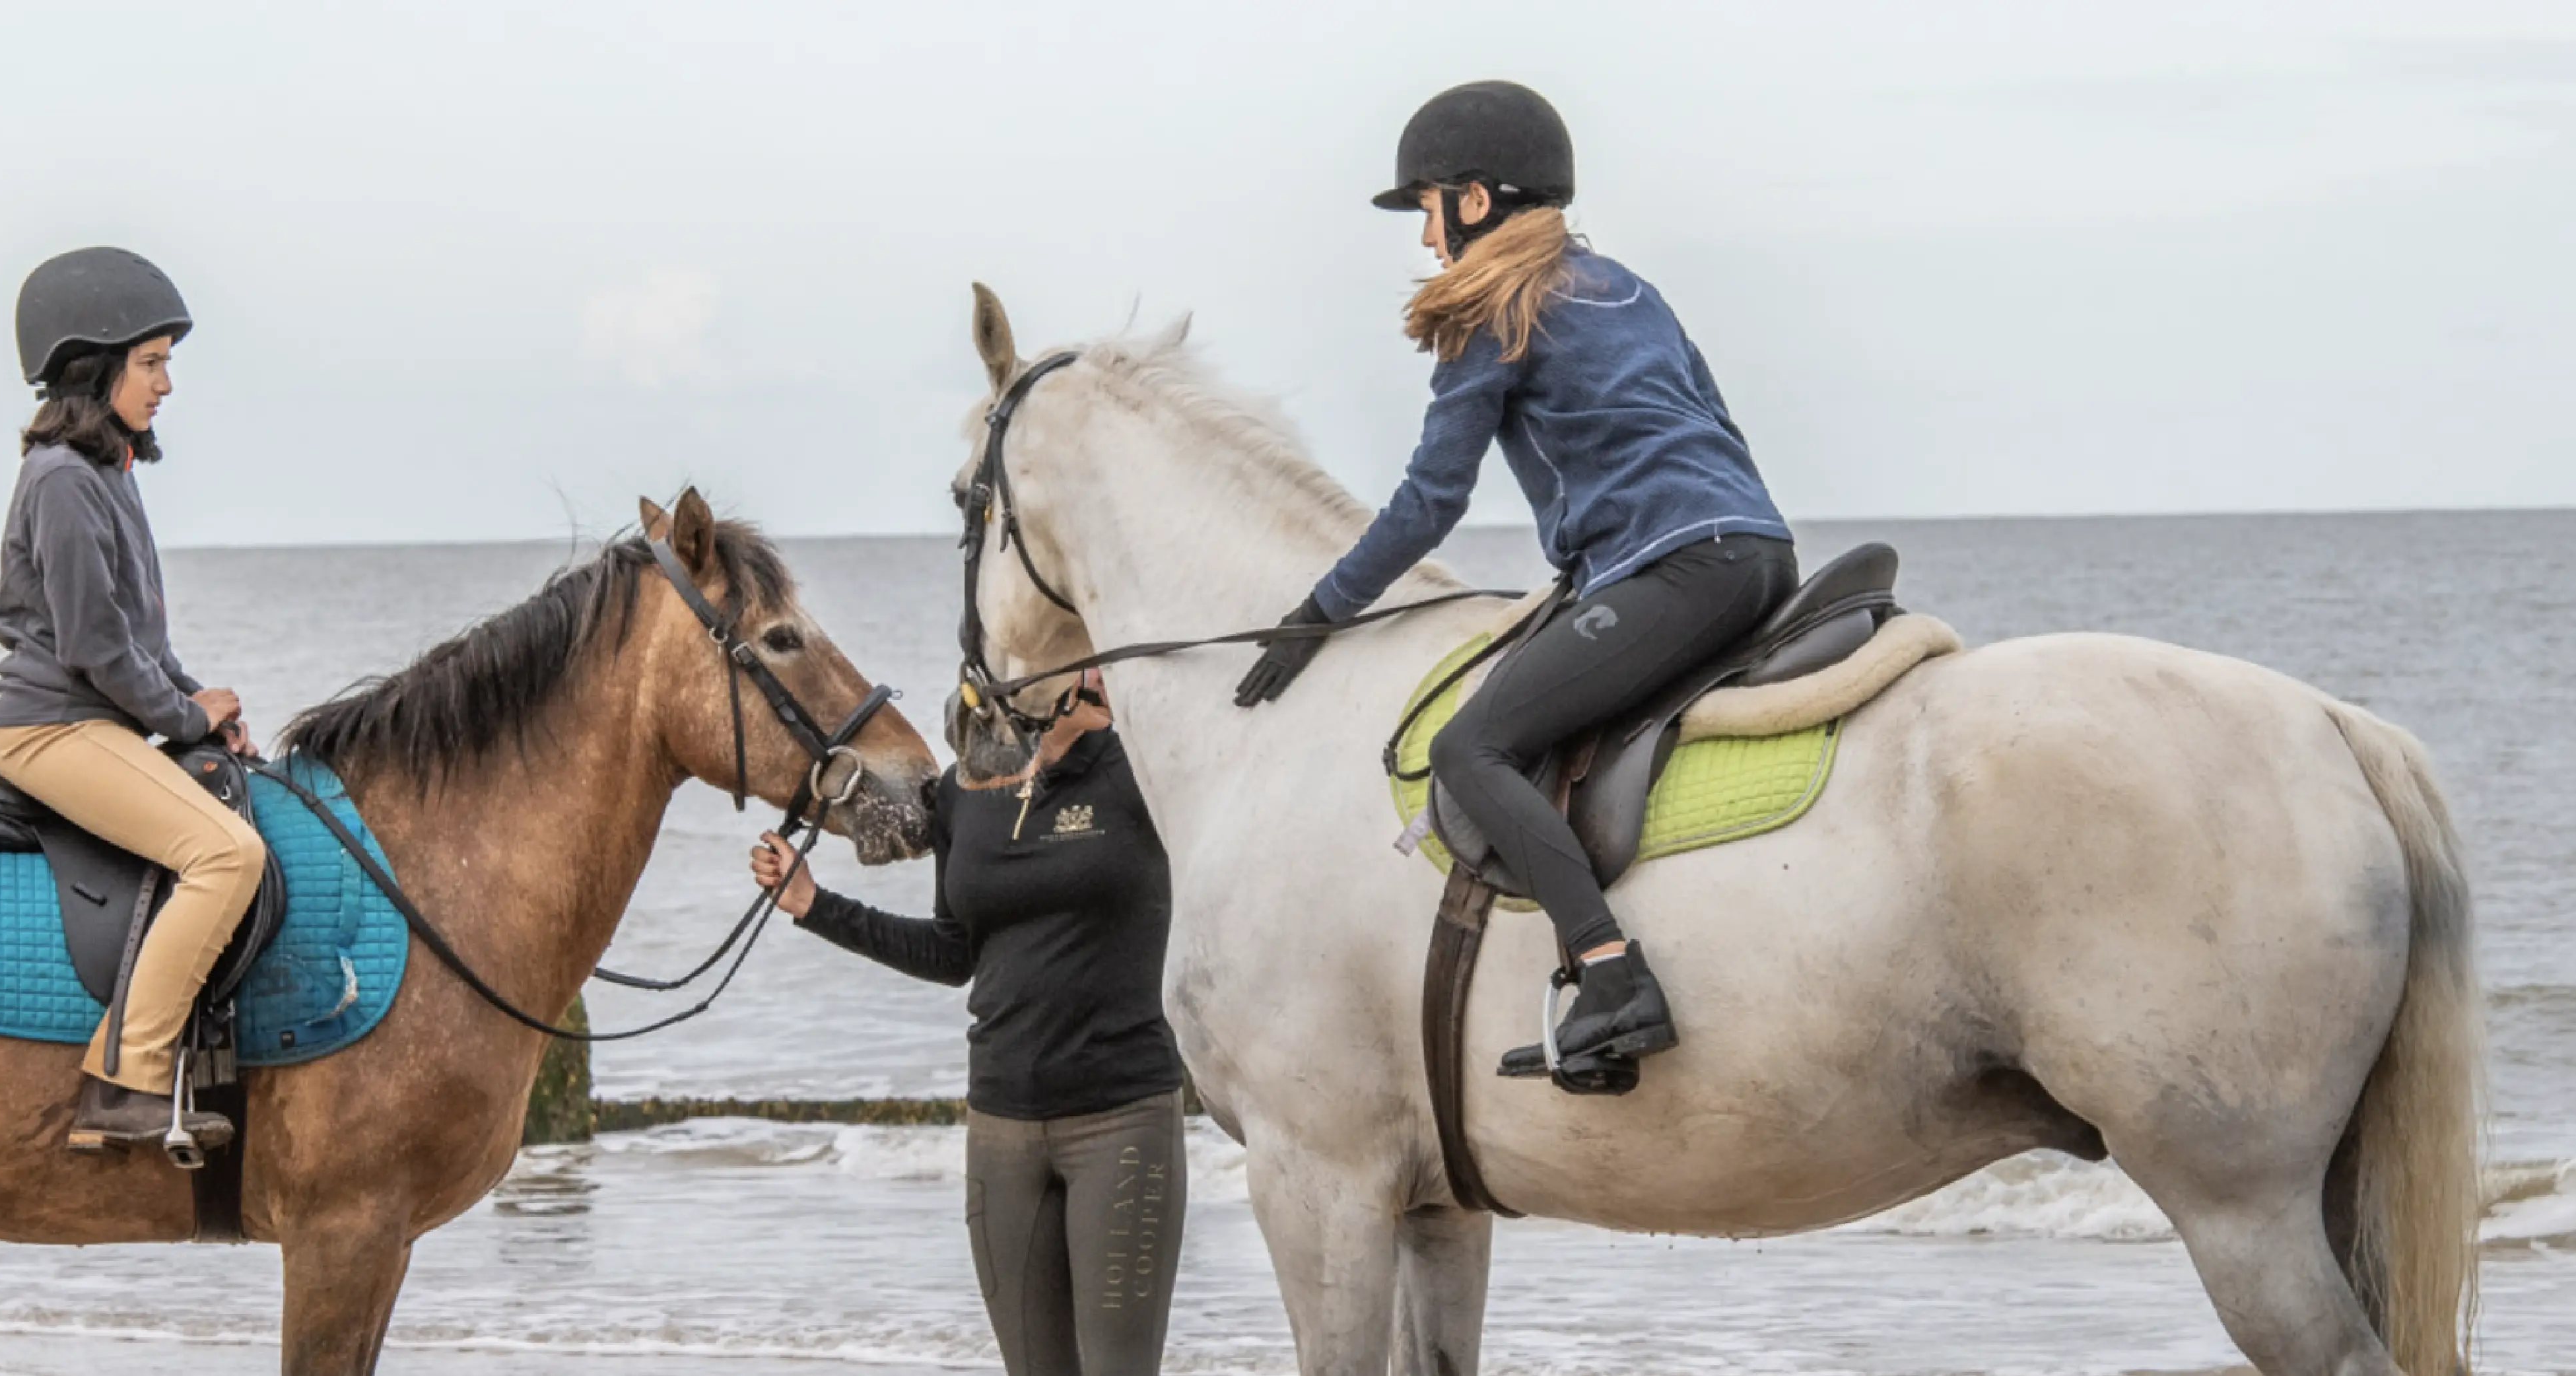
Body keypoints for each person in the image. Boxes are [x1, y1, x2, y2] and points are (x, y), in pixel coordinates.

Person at [1232, 81, 1797, 1097]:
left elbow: (1426, 502)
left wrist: (1318, 612)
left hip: (1674, 570)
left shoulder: (1489, 306)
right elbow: (1715, 427)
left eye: (1427, 208)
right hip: (1756, 549)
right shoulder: (1627, 285)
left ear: (1477, 201)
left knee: (1469, 746)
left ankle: (1609, 973)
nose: (1424, 239)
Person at [748, 673, 1184, 1376]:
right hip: (1002, 1131)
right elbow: (952, 953)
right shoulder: (962, 794)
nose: (1101, 673)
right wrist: (814, 904)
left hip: (1121, 1121)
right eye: (1081, 659)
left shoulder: (1146, 772)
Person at [0, 246, 263, 1152]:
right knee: (227, 857)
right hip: (50, 731)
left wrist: (197, 702)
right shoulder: (64, 479)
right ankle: (127, 1081)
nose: (166, 383)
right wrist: (180, 716)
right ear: (94, 369)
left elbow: (138, 637)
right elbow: (94, 645)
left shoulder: (108, 473)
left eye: (166, 362)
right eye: (151, 362)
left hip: (94, 721)